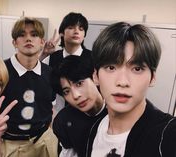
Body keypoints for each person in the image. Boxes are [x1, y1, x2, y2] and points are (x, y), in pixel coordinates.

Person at [87, 22, 176, 157]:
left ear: (152, 78)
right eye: (111, 67)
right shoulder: (94, 127)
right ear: (95, 76)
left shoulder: (168, 134)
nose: (123, 82)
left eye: (137, 69)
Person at [0, 17, 58, 157]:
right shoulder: (2, 70)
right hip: (12, 143)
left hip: (44, 139)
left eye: (34, 34)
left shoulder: (49, 73)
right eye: (22, 35)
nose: (28, 39)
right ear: (14, 42)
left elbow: (51, 106)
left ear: (42, 42)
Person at [51, 55, 107, 157]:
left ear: (95, 77)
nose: (76, 95)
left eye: (79, 84)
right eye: (67, 91)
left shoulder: (118, 109)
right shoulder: (64, 120)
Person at [41, 12, 92, 113]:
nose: (76, 31)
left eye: (81, 29)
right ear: (62, 33)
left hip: (86, 115)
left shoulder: (93, 58)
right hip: (57, 115)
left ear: (84, 35)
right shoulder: (52, 58)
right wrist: (43, 55)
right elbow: (36, 77)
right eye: (71, 27)